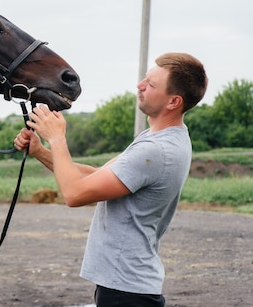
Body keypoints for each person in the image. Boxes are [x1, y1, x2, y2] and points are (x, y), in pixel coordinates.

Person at [14, 52, 208, 307]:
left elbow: (75, 194)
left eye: (151, 85)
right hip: (126, 287)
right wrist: (41, 152)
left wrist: (57, 138)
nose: (140, 86)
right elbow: (95, 177)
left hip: (126, 292)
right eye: (144, 79)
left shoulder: (156, 150)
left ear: (173, 101)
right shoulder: (159, 139)